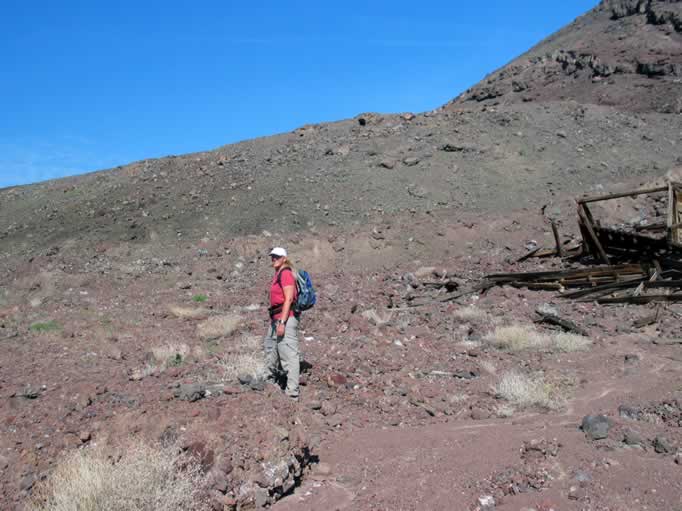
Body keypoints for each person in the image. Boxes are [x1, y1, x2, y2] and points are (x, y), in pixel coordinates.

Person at [264, 247, 300, 399]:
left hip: (284, 318)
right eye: (272, 257)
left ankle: (292, 393)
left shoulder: (285, 273)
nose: (274, 259)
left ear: (284, 258)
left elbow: (289, 299)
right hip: (276, 319)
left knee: (289, 355)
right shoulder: (278, 273)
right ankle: (268, 383)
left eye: (277, 257)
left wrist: (282, 322)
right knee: (271, 350)